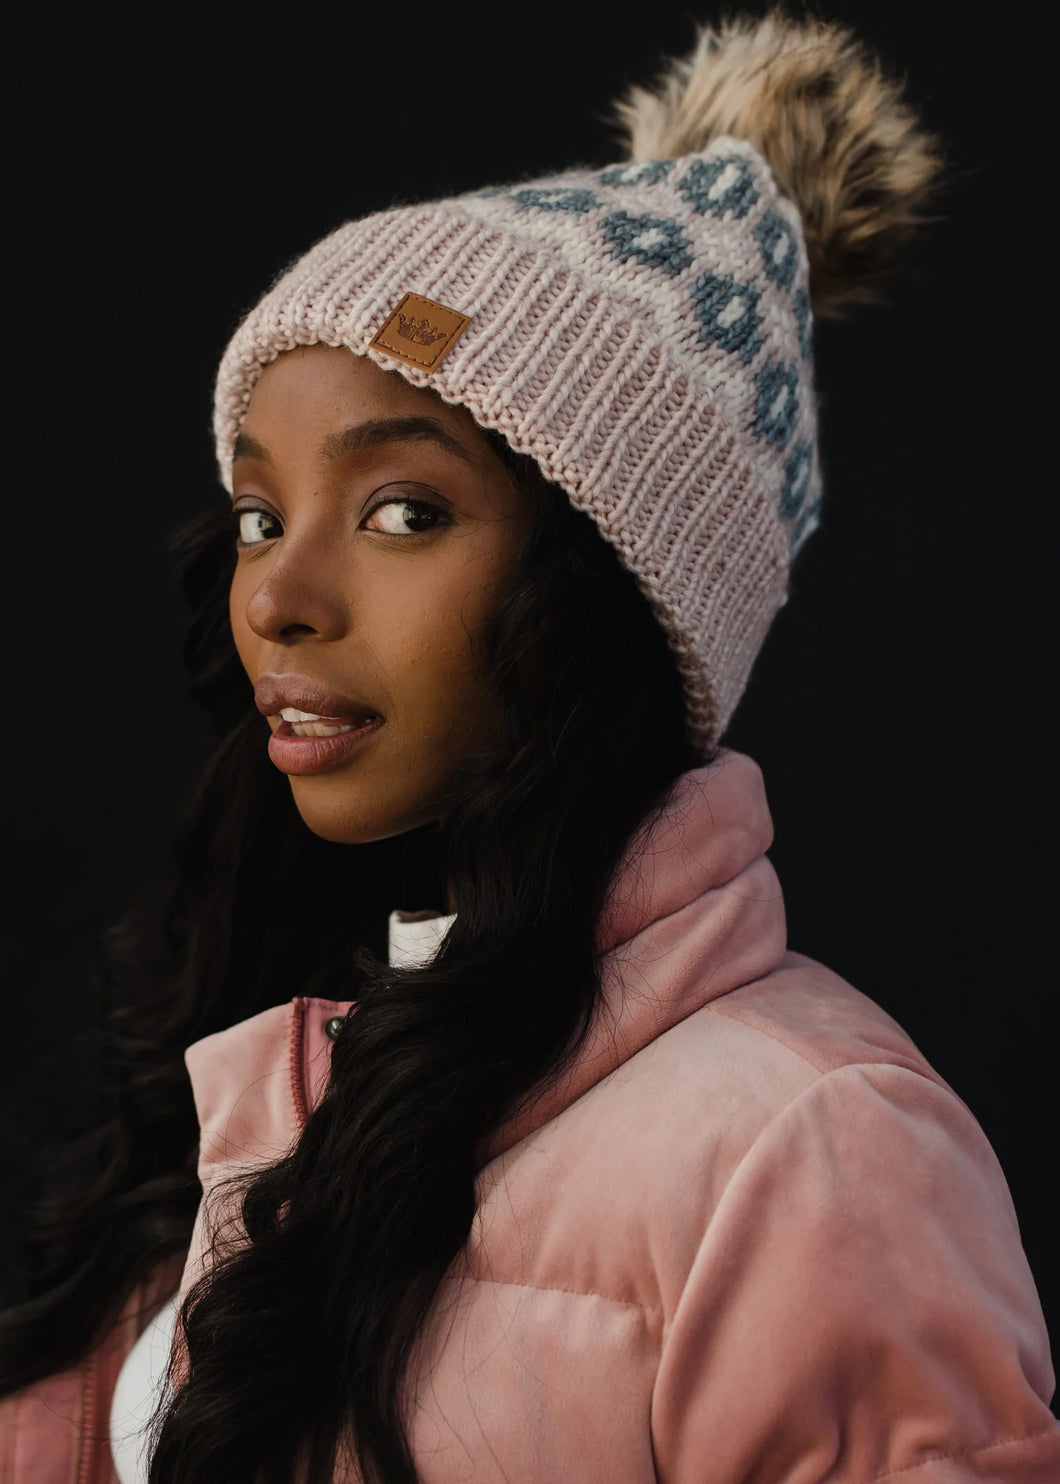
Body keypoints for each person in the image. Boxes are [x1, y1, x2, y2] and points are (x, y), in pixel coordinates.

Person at [1, 12, 1056, 1483]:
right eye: (261, 513)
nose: (280, 598)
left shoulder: (810, 1149)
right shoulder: (278, 1065)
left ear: (608, 597)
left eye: (403, 514)